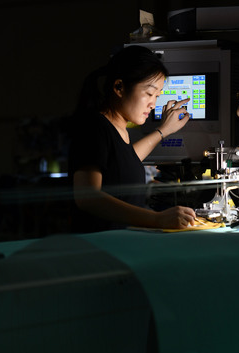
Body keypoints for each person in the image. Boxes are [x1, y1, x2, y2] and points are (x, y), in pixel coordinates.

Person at [69, 45, 196, 232]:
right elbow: (87, 197)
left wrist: (164, 130)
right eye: (149, 94)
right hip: (99, 251)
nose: (153, 104)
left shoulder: (118, 130)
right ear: (119, 87)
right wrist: (158, 219)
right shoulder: (94, 127)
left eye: (157, 96)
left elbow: (126, 158)